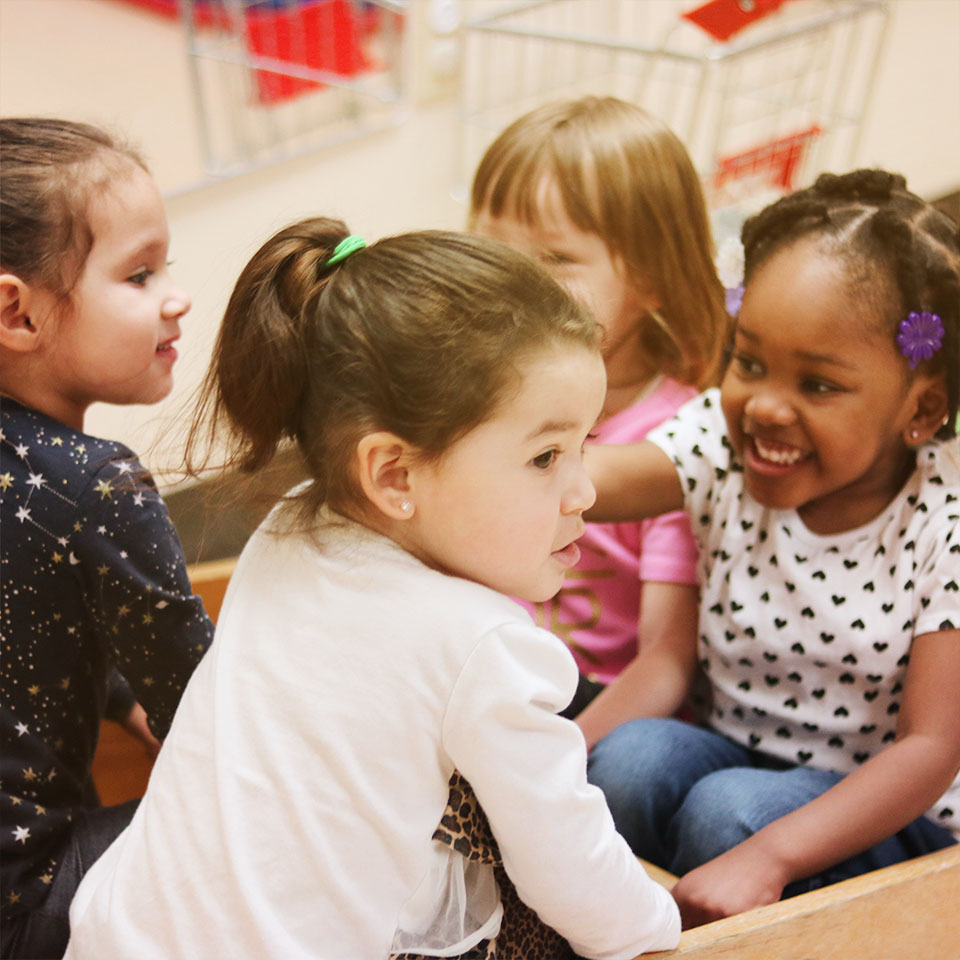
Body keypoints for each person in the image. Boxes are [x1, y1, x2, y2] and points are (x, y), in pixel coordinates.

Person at [63, 219, 681, 959]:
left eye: (587, 446)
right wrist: (672, 924)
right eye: (546, 456)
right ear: (393, 474)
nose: (583, 491)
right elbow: (579, 879)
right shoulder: (483, 645)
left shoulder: (292, 527)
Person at [582, 169, 960, 928]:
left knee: (729, 816)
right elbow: (599, 479)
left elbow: (931, 748)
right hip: (737, 753)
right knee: (628, 762)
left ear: (919, 409)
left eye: (818, 385)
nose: (766, 406)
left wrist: (771, 855)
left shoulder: (944, 523)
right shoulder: (724, 443)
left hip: (891, 812)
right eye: (748, 363)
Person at [0, 118, 213, 958]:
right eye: (139, 273)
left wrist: (122, 698)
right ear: (16, 313)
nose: (175, 296)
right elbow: (212, 716)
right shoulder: (95, 484)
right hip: (28, 905)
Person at [469, 96, 729, 742]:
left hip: (600, 725)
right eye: (490, 252)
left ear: (652, 278)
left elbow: (665, 663)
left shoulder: (676, 441)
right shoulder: (474, 408)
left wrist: (561, 760)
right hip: (491, 699)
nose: (514, 285)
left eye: (555, 258)